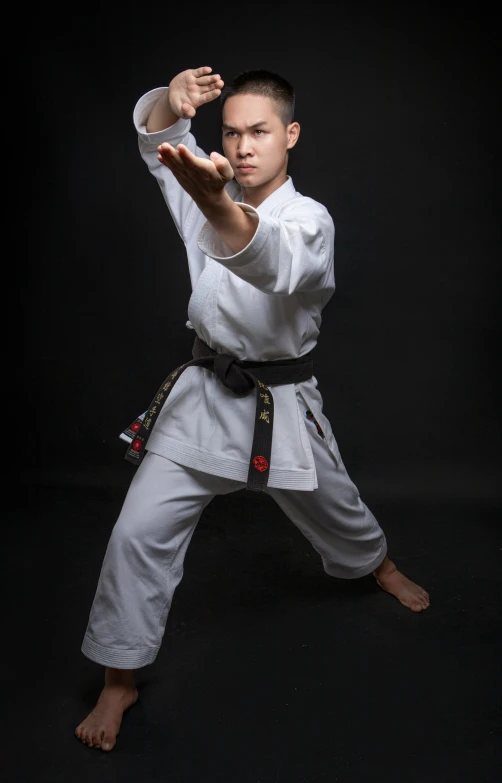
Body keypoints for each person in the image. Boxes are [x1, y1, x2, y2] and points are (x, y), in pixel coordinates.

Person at [75, 65, 430, 752]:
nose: (241, 145)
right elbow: (161, 147)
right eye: (231, 131)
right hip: (202, 399)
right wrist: (166, 107)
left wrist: (215, 207)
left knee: (338, 504)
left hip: (281, 403)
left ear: (290, 135)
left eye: (258, 131)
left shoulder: (308, 218)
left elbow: (277, 266)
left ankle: (378, 563)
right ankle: (120, 676)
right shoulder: (207, 189)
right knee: (136, 535)